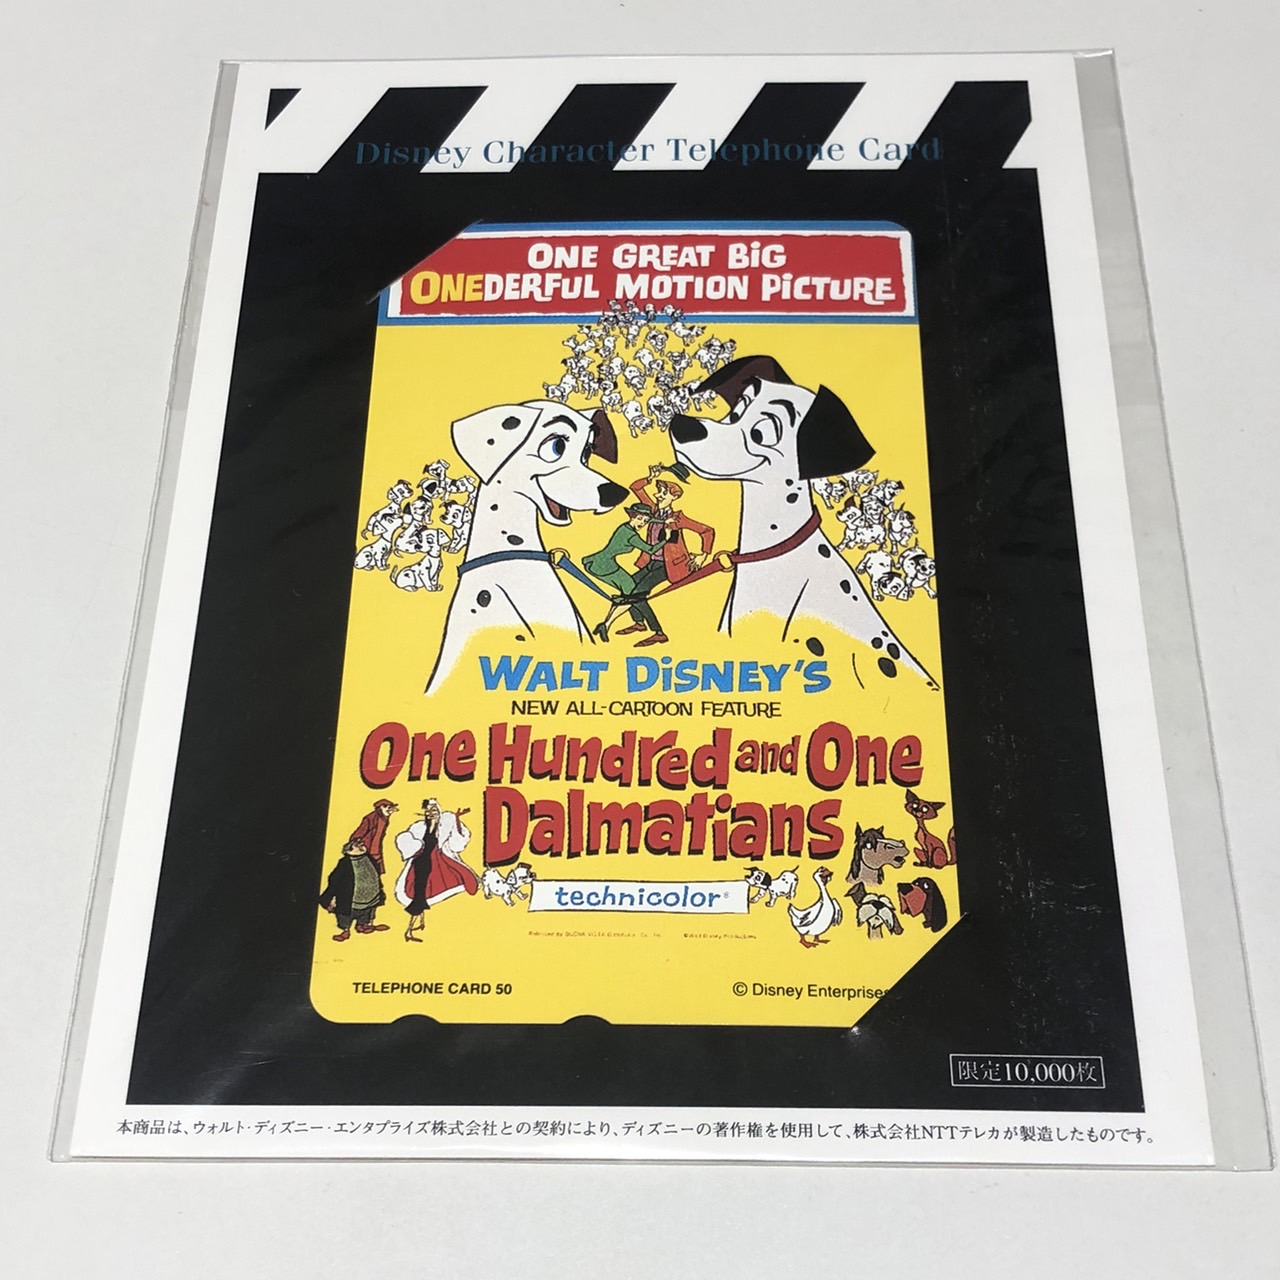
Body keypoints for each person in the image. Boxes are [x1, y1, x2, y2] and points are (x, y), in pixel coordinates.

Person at [582, 503, 668, 644]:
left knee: (630, 595)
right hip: (605, 566)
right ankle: (658, 631)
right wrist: (666, 539)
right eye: (639, 519)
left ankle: (635, 623)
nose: (642, 523)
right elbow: (651, 550)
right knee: (635, 597)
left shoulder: (625, 527)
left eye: (645, 521)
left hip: (599, 563)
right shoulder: (631, 535)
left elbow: (650, 519)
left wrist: (664, 521)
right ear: (632, 516)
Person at [393, 798, 478, 942]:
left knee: (424, 892)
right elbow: (405, 841)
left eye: (433, 810)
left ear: (438, 811)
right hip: (419, 864)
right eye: (428, 811)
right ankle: (408, 931)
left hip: (437, 863)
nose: (431, 813)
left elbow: (457, 844)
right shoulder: (418, 828)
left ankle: (420, 922)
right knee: (418, 894)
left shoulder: (446, 826)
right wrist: (414, 845)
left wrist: (457, 821)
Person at [318, 838, 389, 942]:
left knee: (366, 911)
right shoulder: (345, 863)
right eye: (357, 845)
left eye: (361, 844)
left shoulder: (368, 858)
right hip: (351, 900)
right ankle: (345, 930)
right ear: (349, 849)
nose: (361, 846)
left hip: (370, 897)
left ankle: (362, 925)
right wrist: (332, 896)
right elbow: (334, 879)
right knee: (346, 915)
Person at [347, 798, 398, 874]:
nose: (391, 811)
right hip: (368, 849)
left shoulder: (384, 818)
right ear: (381, 807)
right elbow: (360, 831)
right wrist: (355, 843)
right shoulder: (370, 818)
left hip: (376, 849)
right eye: (389, 808)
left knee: (376, 870)